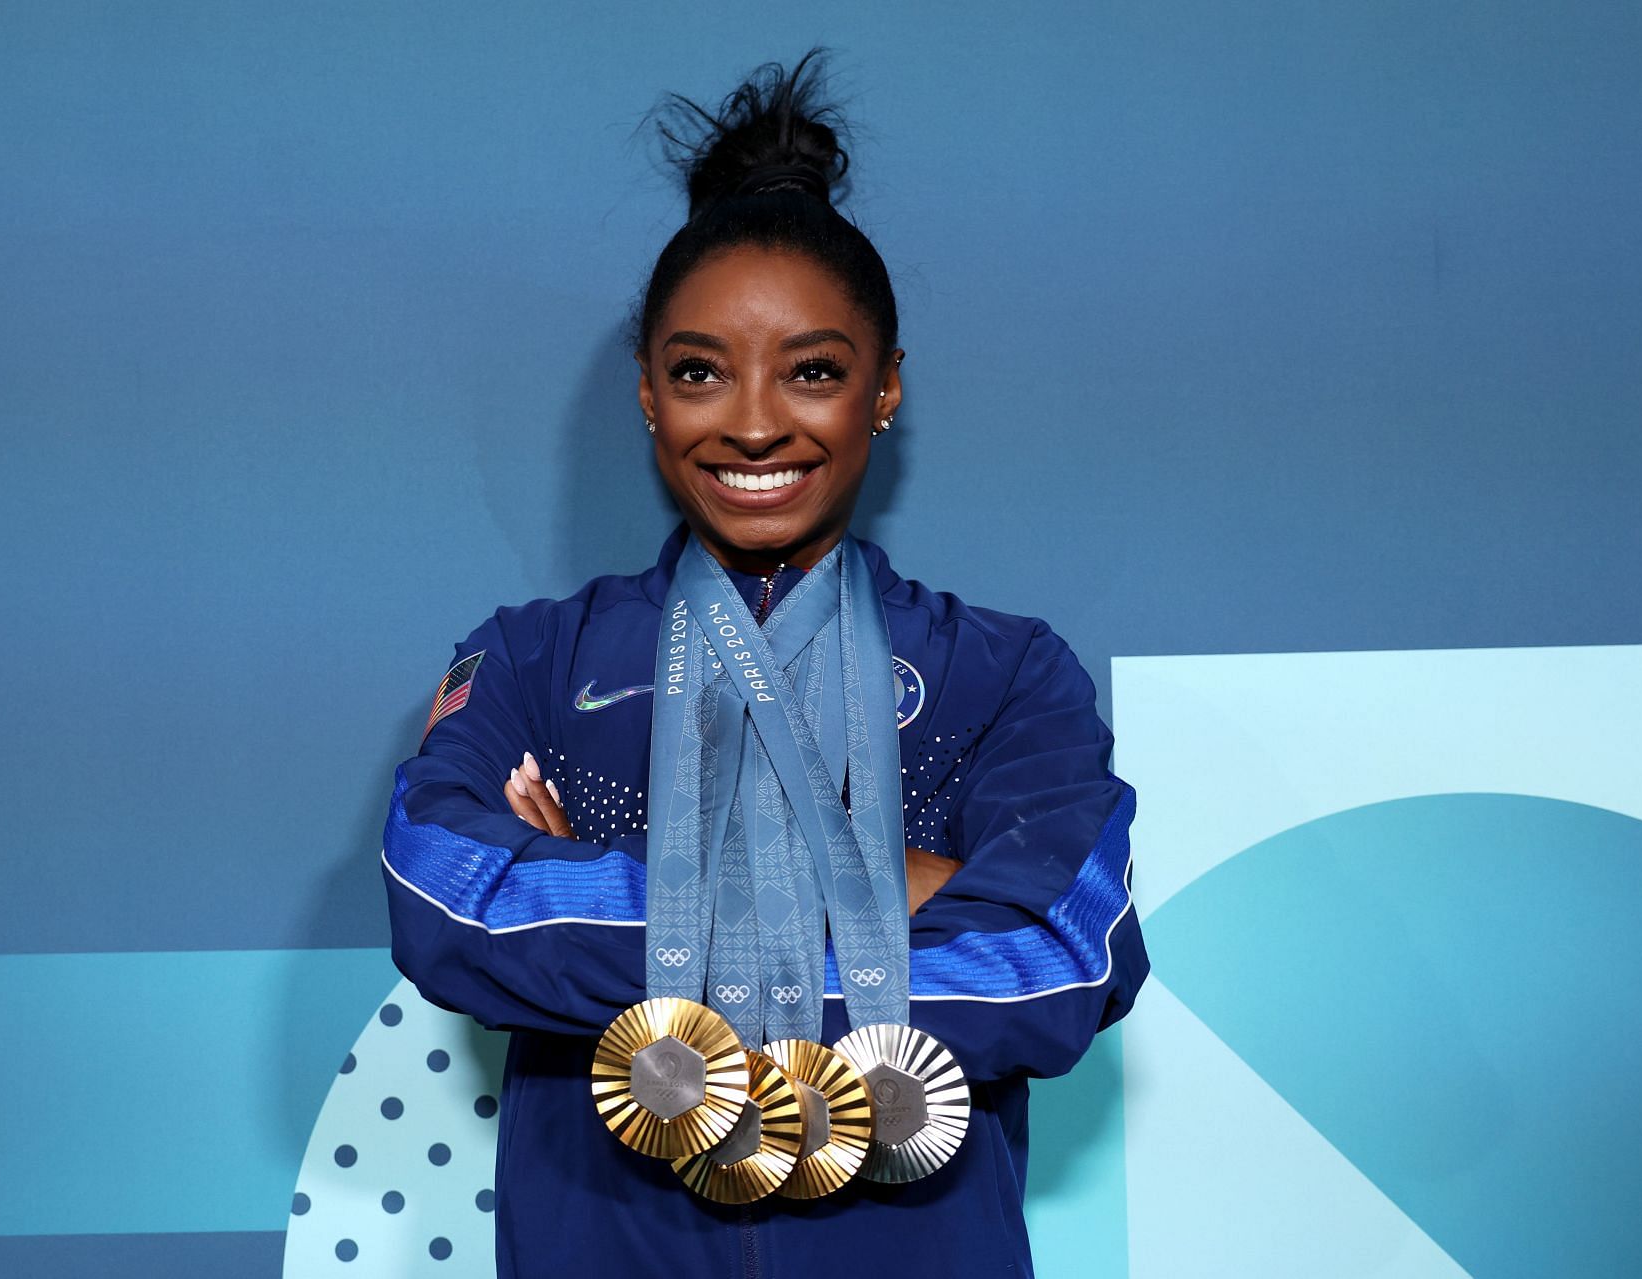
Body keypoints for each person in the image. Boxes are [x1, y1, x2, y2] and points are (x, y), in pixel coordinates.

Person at [381, 48, 1149, 1278]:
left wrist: (599, 875)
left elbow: (1063, 961)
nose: (750, 421)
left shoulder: (1005, 672)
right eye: (699, 371)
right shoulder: (530, 657)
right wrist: (901, 885)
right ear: (646, 395)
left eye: (813, 370)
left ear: (884, 390)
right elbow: (442, 896)